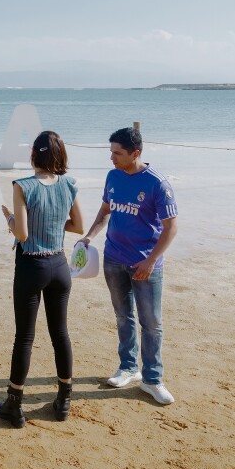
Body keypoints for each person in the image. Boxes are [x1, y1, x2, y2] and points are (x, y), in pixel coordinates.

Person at [78, 127, 179, 405]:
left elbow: (171, 228)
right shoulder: (113, 176)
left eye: (117, 153)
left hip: (145, 263)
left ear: (135, 153)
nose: (111, 158)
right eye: (111, 151)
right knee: (123, 316)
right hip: (113, 259)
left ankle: (153, 379)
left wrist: (151, 260)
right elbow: (105, 211)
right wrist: (89, 237)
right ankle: (128, 368)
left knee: (152, 324)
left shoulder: (157, 184)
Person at [0, 131, 84, 427]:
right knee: (61, 334)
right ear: (60, 154)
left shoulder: (23, 186)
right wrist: (53, 222)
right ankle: (64, 400)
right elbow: (77, 226)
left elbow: (22, 235)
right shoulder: (69, 183)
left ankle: (14, 404)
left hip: (32, 266)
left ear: (33, 154)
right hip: (59, 265)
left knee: (25, 337)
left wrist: (10, 219)